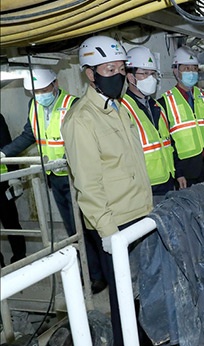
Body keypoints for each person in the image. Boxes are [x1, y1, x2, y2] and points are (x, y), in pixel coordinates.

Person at [61, 35, 153, 346]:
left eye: (120, 68)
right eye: (108, 69)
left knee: (143, 294)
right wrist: (109, 233)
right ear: (90, 74)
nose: (116, 75)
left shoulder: (118, 108)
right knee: (124, 300)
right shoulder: (81, 120)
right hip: (116, 224)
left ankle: (145, 339)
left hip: (140, 215)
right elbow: (88, 185)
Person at [0, 69, 106, 293]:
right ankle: (87, 271)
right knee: (72, 228)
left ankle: (101, 274)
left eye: (44, 90)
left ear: (56, 84)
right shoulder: (34, 107)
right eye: (35, 92)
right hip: (55, 178)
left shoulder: (73, 104)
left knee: (90, 226)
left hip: (77, 177)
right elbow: (29, 135)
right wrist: (4, 153)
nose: (40, 95)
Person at [158, 46, 204, 188]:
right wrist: (178, 172)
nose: (191, 72)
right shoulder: (164, 102)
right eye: (186, 68)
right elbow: (168, 142)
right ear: (176, 70)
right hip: (186, 170)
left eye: (194, 68)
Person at [122, 47, 176, 204]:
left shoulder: (157, 105)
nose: (150, 78)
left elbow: (168, 143)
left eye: (152, 74)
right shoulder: (122, 108)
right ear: (131, 77)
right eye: (144, 73)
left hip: (167, 181)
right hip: (145, 187)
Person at [0, 114, 26, 267]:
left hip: (2, 181)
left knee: (10, 220)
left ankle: (20, 259)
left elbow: (6, 143)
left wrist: (14, 176)